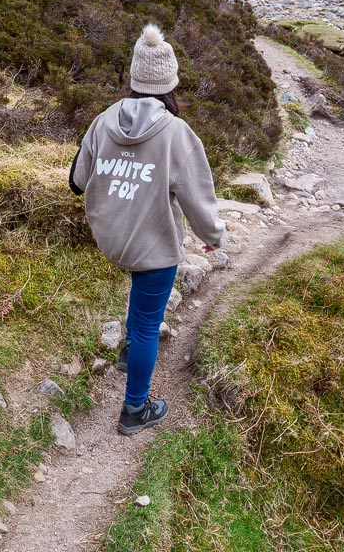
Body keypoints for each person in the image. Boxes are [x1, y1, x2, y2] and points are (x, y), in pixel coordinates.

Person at [69, 23, 225, 436]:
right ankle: (134, 409)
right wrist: (213, 238)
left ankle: (127, 353)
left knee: (138, 315)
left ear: (134, 79)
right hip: (150, 245)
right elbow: (198, 199)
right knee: (145, 325)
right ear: (170, 83)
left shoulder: (103, 120)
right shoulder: (177, 133)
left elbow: (78, 181)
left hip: (110, 236)